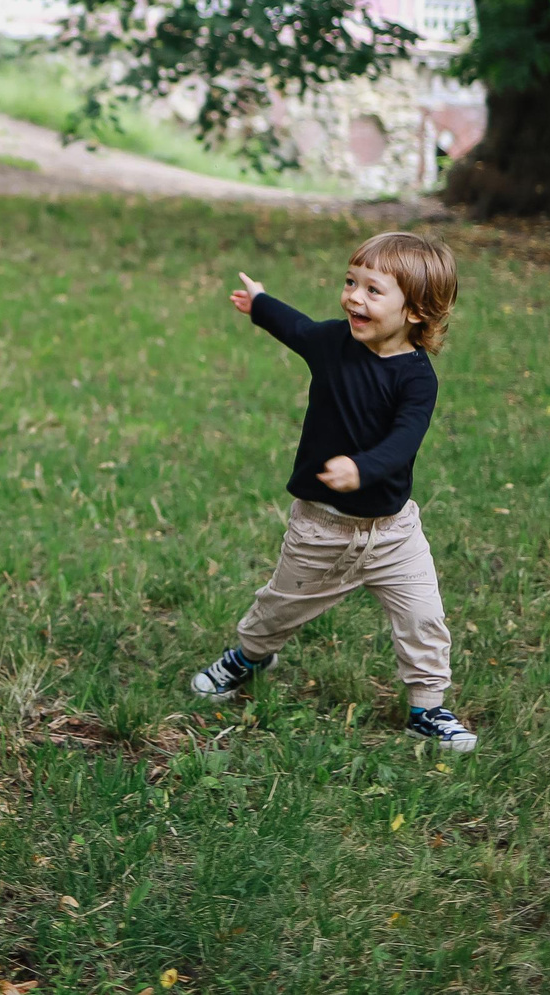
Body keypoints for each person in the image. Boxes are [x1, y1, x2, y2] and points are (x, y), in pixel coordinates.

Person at [190, 232, 477, 752]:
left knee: (423, 617)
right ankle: (250, 655)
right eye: (351, 282)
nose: (353, 297)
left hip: (393, 532)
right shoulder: (333, 345)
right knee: (279, 606)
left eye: (372, 290)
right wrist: (260, 304)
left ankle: (426, 708)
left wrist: (361, 469)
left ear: (416, 310)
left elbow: (403, 442)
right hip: (321, 527)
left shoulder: (417, 379)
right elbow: (296, 328)